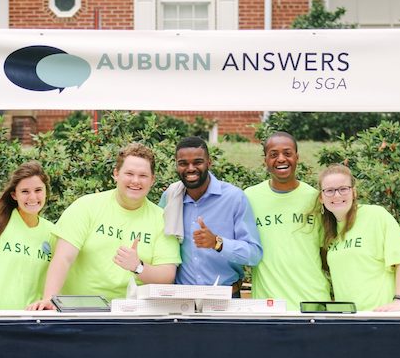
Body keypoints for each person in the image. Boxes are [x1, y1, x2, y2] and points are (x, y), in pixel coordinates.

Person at [27, 143, 180, 310]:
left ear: (152, 180)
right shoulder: (86, 207)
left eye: (143, 175)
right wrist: (49, 298)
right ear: (116, 174)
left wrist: (138, 266)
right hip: (79, 311)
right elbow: (64, 257)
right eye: (129, 173)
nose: (135, 181)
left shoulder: (162, 219)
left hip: (132, 314)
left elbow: (167, 274)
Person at [159, 136, 262, 296]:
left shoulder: (234, 198)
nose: (190, 168)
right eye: (183, 163)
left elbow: (254, 254)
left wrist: (217, 243)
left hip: (226, 300)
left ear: (209, 162)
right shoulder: (171, 197)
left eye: (197, 162)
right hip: (181, 300)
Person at [244, 132, 330, 309]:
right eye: (273, 154)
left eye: (287, 153)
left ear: (297, 157)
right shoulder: (249, 197)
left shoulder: (315, 198)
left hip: (312, 303)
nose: (281, 159)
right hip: (268, 306)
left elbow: (326, 251)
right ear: (265, 160)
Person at [317, 163, 400, 311]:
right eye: (329, 191)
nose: (337, 195)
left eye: (343, 189)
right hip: (352, 318)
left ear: (354, 192)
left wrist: (399, 301)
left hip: (386, 315)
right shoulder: (327, 232)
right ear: (321, 198)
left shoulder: (376, 216)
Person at [0, 161, 56, 310]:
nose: (33, 197)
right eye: (25, 191)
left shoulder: (52, 232)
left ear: (46, 191)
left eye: (38, 190)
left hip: (31, 323)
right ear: (14, 195)